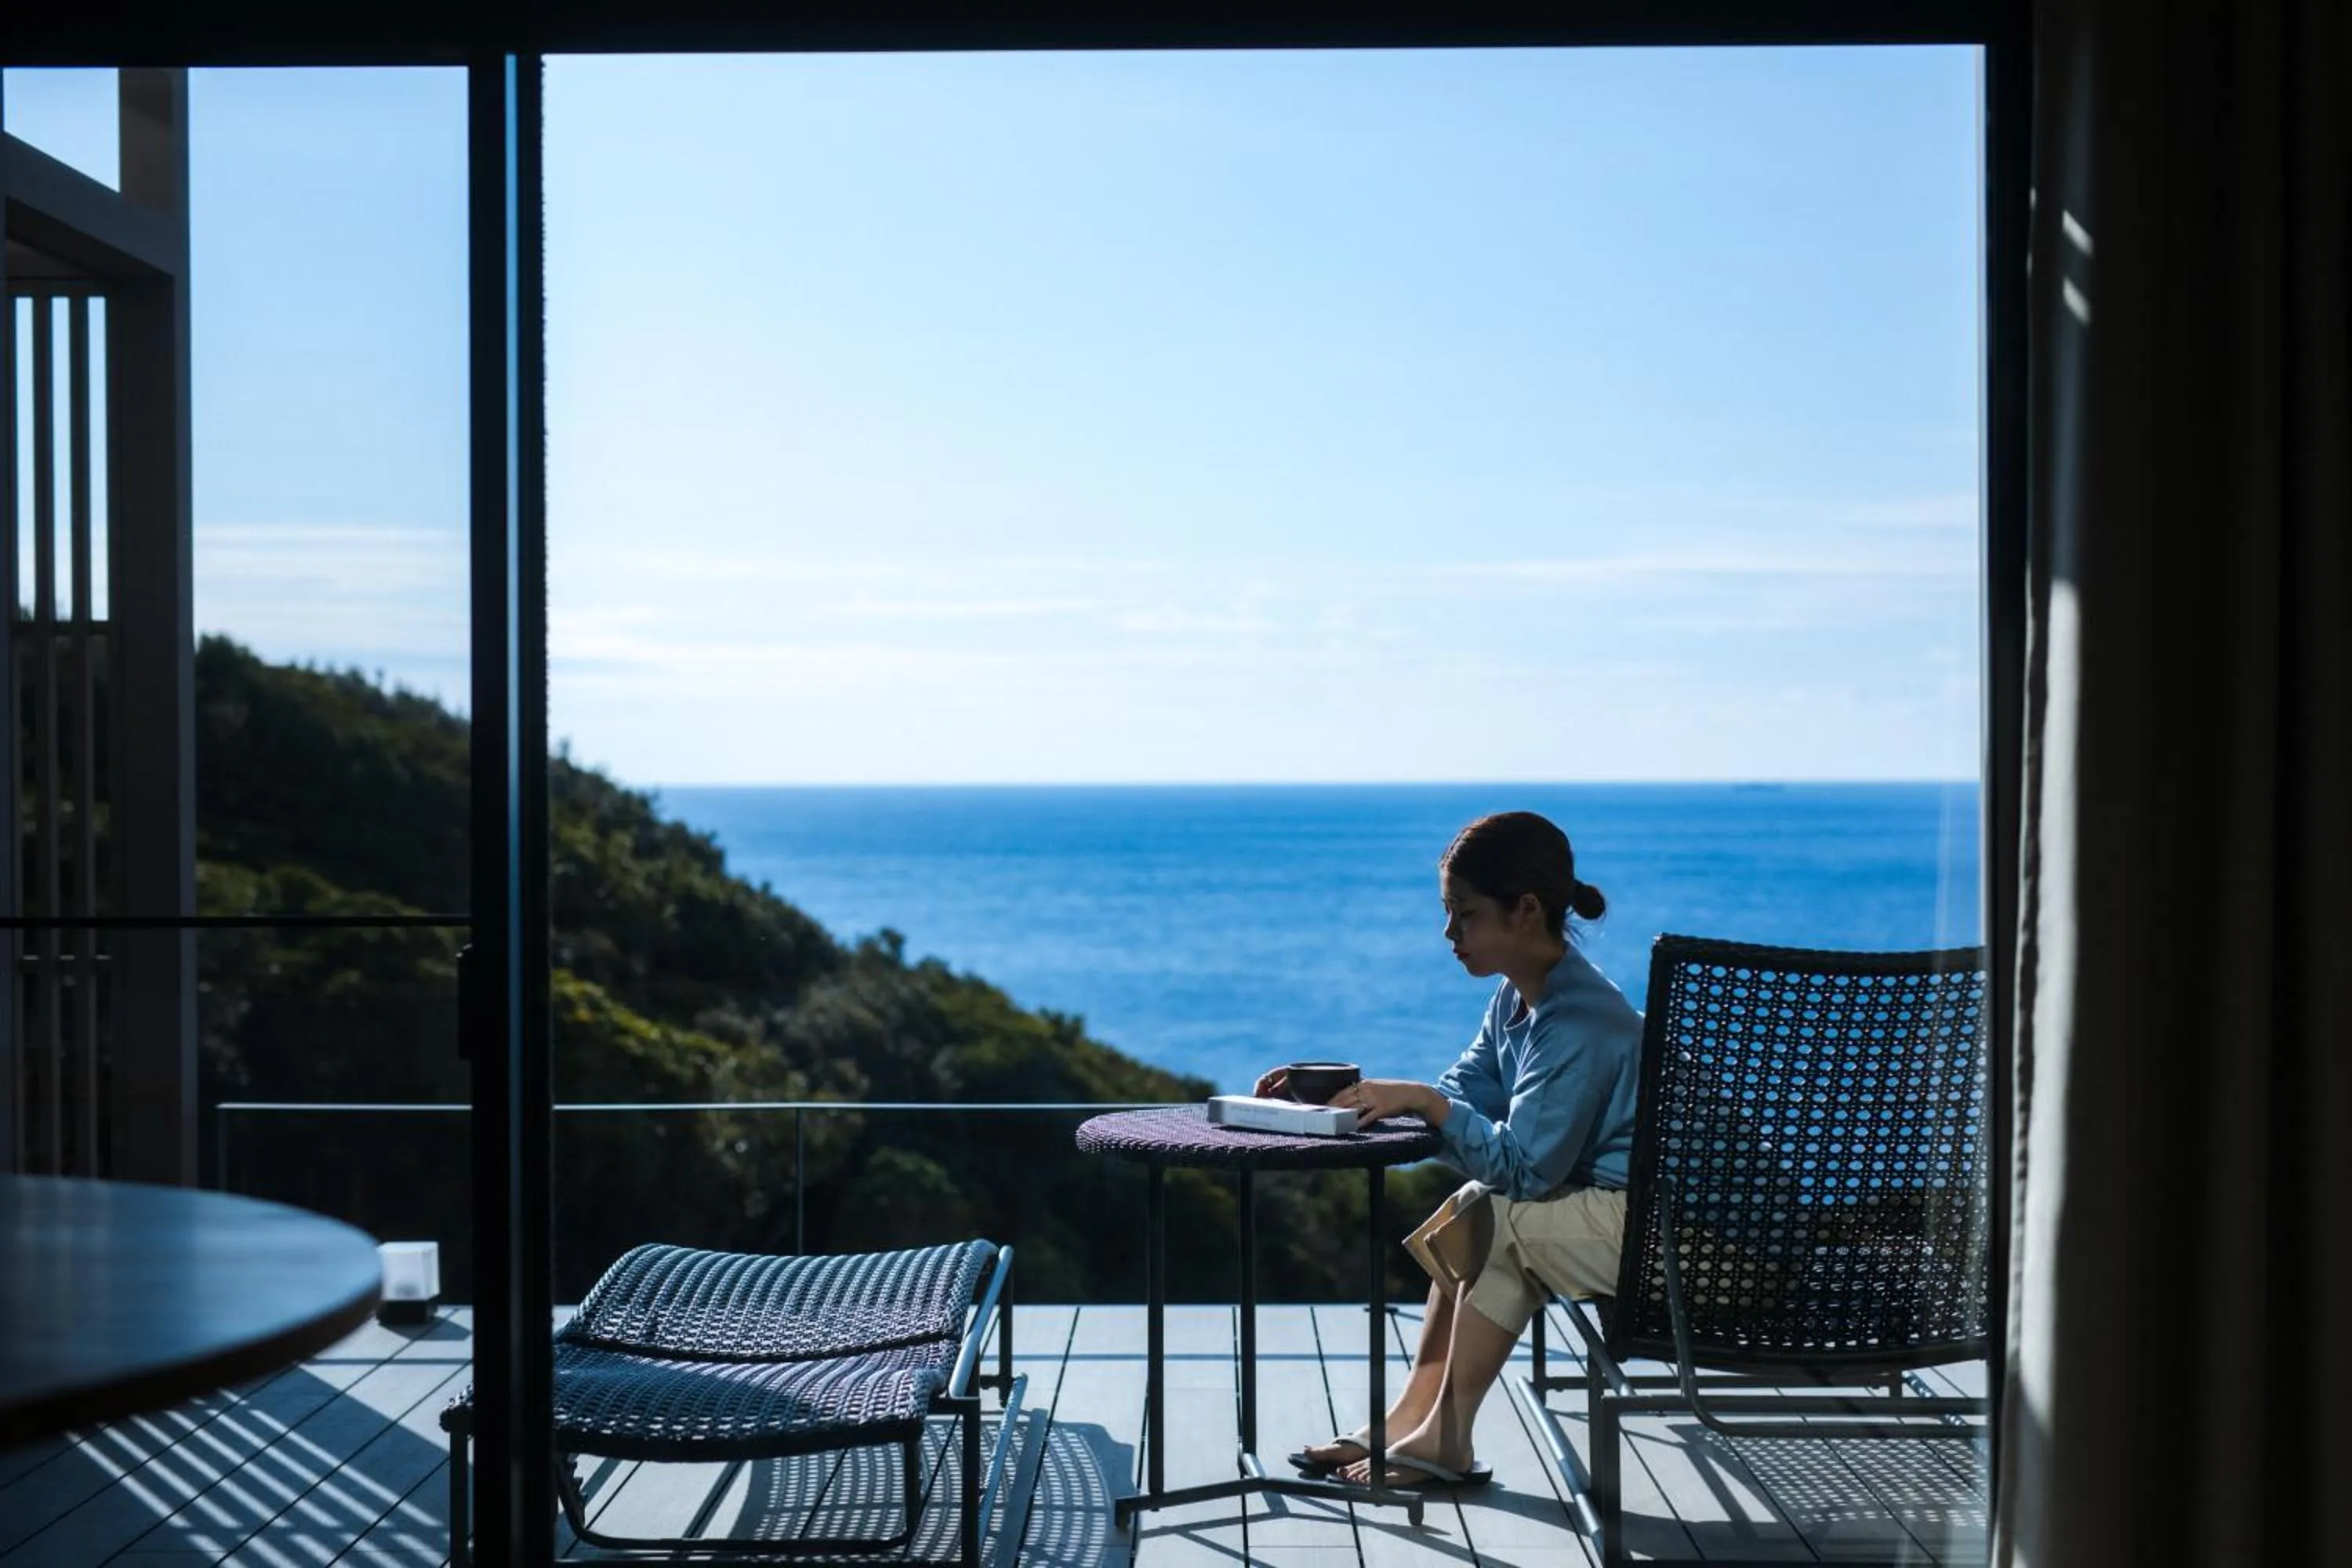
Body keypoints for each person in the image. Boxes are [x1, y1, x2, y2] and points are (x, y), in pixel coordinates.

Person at [1255, 809, 1643, 1490]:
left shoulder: (1577, 1021)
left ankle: (1443, 1439)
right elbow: (1455, 1097)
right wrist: (1359, 1099)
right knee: (1474, 1205)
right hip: (1633, 1222)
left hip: (1689, 1246)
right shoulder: (1519, 1001)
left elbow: (1522, 1169)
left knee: (1498, 1215)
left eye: (1463, 915)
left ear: (1524, 910)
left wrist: (1425, 1104)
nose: (1448, 933)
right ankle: (1415, 1422)